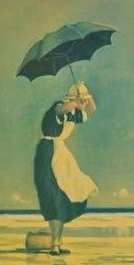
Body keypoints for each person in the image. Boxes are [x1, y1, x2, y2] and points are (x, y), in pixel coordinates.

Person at [32, 82, 96, 255]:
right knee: (52, 197)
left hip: (60, 155)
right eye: (81, 100)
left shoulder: (74, 114)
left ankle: (58, 243)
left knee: (63, 198)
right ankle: (54, 245)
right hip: (47, 154)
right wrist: (76, 101)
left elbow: (91, 110)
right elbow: (61, 110)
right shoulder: (60, 107)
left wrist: (86, 96)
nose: (84, 103)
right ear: (72, 99)